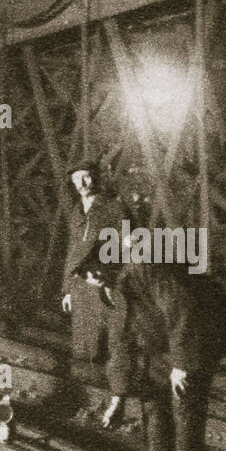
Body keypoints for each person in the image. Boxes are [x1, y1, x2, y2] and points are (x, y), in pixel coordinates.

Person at [106, 257, 226, 451]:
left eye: (93, 270)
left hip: (197, 337)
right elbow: (120, 342)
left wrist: (181, 365)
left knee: (184, 404)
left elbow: (182, 311)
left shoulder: (146, 269)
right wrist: (118, 396)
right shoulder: (112, 287)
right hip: (164, 347)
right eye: (85, 275)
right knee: (152, 397)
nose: (91, 278)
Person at [61, 161, 132, 421]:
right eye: (76, 179)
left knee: (112, 342)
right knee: (85, 345)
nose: (81, 184)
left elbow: (126, 248)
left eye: (86, 178)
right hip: (81, 285)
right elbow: (72, 252)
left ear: (96, 179)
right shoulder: (77, 211)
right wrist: (67, 289)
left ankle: (115, 400)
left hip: (104, 284)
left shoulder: (114, 208)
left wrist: (113, 279)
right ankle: (88, 401)